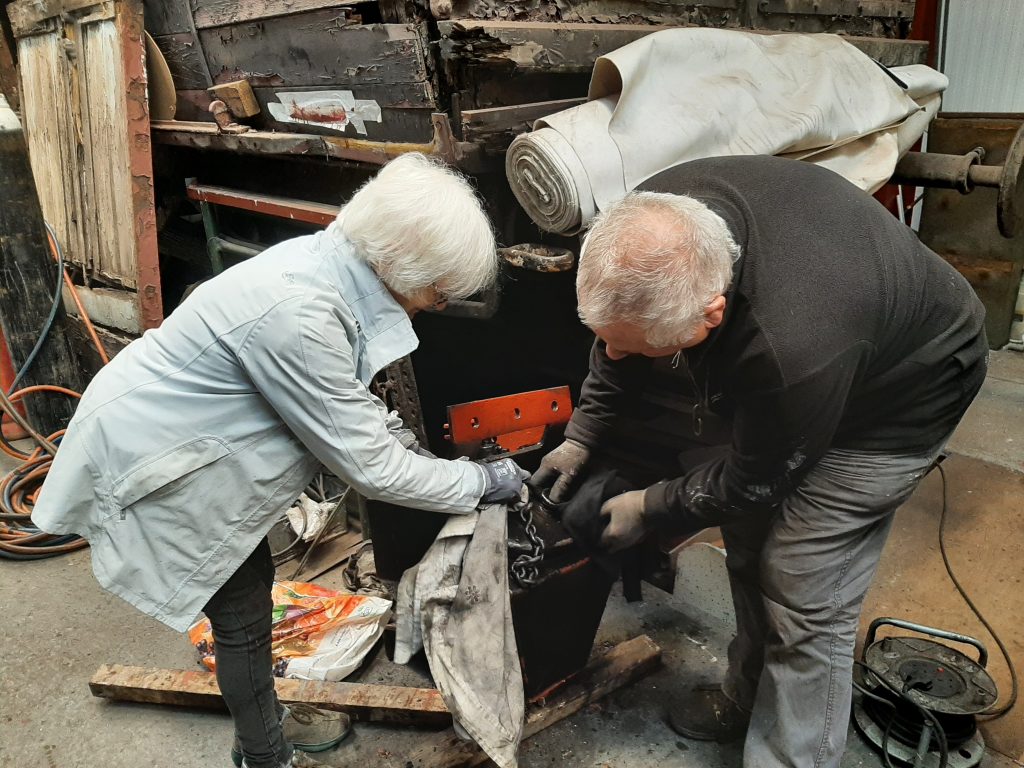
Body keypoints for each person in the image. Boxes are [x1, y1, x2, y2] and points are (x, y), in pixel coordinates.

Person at [32, 154, 527, 768]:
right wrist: (481, 479)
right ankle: (264, 757)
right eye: (437, 287)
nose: (440, 302)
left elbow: (350, 401)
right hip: (155, 455)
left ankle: (260, 732)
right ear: (401, 262)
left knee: (252, 586)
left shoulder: (327, 271)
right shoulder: (300, 312)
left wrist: (419, 453)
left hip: (177, 435)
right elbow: (372, 469)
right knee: (241, 612)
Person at [533, 155, 987, 767]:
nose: (613, 352)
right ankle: (746, 695)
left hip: (904, 393)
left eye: (638, 347)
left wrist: (651, 505)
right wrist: (582, 434)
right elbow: (618, 339)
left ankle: (791, 757)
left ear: (710, 315)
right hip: (815, 359)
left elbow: (757, 476)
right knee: (750, 544)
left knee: (804, 584)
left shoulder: (790, 343)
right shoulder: (648, 224)